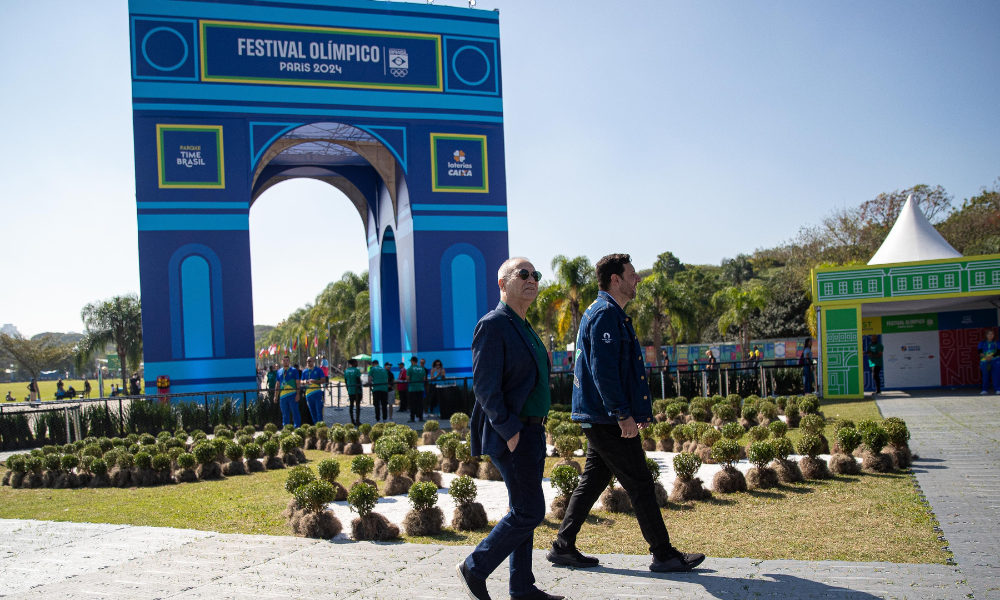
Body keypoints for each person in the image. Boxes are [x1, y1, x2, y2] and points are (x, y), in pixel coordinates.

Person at [548, 253, 704, 574]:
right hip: (607, 417)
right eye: (632, 274)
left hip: (599, 415)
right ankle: (663, 554)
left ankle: (563, 547)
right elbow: (605, 372)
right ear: (615, 279)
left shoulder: (608, 313)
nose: (638, 280)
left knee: (594, 480)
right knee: (641, 483)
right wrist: (622, 414)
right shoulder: (605, 314)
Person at [457, 257, 563, 600]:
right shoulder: (493, 324)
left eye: (536, 275)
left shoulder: (527, 327)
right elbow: (484, 386)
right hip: (513, 433)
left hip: (532, 430)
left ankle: (521, 586)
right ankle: (475, 566)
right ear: (502, 284)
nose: (532, 279)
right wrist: (511, 430)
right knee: (530, 510)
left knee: (523, 509)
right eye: (523, 274)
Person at [276, 355, 302, 428]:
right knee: (285, 414)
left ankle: (297, 428)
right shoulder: (279, 371)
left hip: (292, 395)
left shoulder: (294, 370)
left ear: (289, 361)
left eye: (287, 360)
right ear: (282, 361)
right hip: (283, 396)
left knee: (295, 412)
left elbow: (297, 383)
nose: (285, 362)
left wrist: (298, 394)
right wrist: (276, 395)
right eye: (284, 360)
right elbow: (277, 384)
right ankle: (286, 429)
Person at [300, 357, 327, 425]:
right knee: (312, 413)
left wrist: (315, 381)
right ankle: (316, 426)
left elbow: (323, 380)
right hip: (308, 395)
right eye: (307, 361)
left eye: (309, 361)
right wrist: (305, 382)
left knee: (319, 411)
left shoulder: (318, 370)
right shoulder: (304, 371)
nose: (308, 363)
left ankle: (320, 426)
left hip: (317, 393)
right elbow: (301, 381)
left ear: (313, 361)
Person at [978, 329, 999, 395]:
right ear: (986, 335)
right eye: (989, 334)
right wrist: (986, 357)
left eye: (992, 334)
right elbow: (979, 352)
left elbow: (999, 351)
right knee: (985, 376)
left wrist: (991, 357)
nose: (990, 335)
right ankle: (984, 390)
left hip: (995, 360)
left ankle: (998, 389)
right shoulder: (982, 343)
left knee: (996, 375)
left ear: (993, 335)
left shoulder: (997, 342)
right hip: (984, 361)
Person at [407, 356, 427, 422]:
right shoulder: (422, 369)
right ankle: (420, 417)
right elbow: (424, 379)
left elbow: (408, 379)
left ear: (412, 361)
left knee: (412, 403)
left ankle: (412, 418)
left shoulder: (410, 369)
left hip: (412, 388)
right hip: (420, 388)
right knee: (420, 403)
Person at [344, 359, 362, 426]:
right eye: (356, 362)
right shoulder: (357, 370)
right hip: (357, 391)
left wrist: (348, 389)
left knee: (351, 405)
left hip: (350, 390)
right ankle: (357, 420)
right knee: (357, 406)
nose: (357, 363)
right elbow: (358, 380)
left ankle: (352, 420)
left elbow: (345, 381)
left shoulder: (346, 371)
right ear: (354, 363)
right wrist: (361, 390)